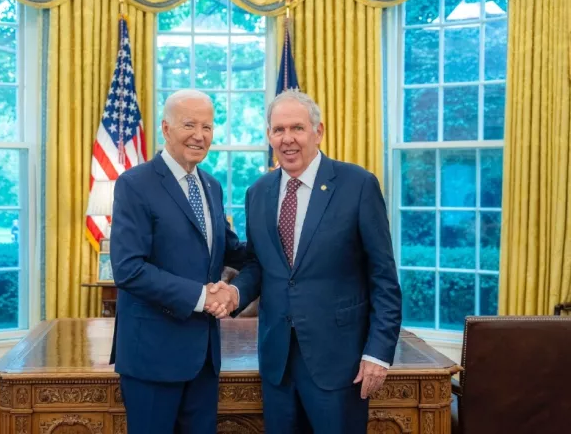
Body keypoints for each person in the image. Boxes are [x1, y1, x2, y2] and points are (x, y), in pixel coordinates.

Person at [207, 89, 402, 433]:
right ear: (269, 135)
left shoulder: (357, 185)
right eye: (278, 130)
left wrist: (378, 353)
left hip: (340, 362)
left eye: (297, 128)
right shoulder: (258, 192)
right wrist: (235, 293)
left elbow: (383, 278)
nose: (287, 139)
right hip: (277, 362)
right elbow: (258, 265)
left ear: (318, 131)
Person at [110, 89, 245, 434]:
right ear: (166, 129)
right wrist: (203, 297)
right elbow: (129, 268)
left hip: (203, 358)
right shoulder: (135, 184)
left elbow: (228, 250)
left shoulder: (211, 186)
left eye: (208, 127)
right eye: (189, 125)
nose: (200, 135)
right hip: (151, 358)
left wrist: (286, 248)